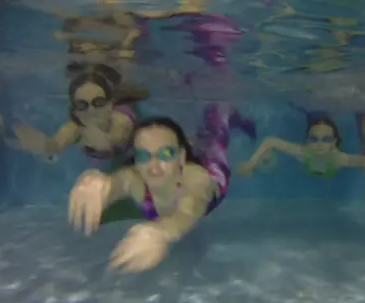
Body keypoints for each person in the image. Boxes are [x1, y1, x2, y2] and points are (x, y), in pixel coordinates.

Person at [67, 104, 256, 272]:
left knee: (216, 131)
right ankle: (186, 141)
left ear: (181, 157)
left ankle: (227, 112)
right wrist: (98, 183)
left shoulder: (198, 178)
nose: (154, 166)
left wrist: (161, 232)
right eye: (144, 156)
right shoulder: (136, 178)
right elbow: (116, 182)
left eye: (166, 154)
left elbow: (187, 211)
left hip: (214, 168)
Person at [12, 65, 148, 162]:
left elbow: (118, 135)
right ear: (75, 111)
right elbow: (56, 143)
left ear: (110, 104)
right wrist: (45, 145)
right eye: (82, 105)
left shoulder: (120, 120)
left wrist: (106, 142)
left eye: (99, 103)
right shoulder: (75, 128)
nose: (91, 111)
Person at [236, 107, 365, 179]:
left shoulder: (337, 158)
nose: (319, 144)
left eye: (326, 140)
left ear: (334, 142)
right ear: (307, 141)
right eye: (314, 139)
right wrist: (251, 164)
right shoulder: (303, 152)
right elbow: (270, 141)